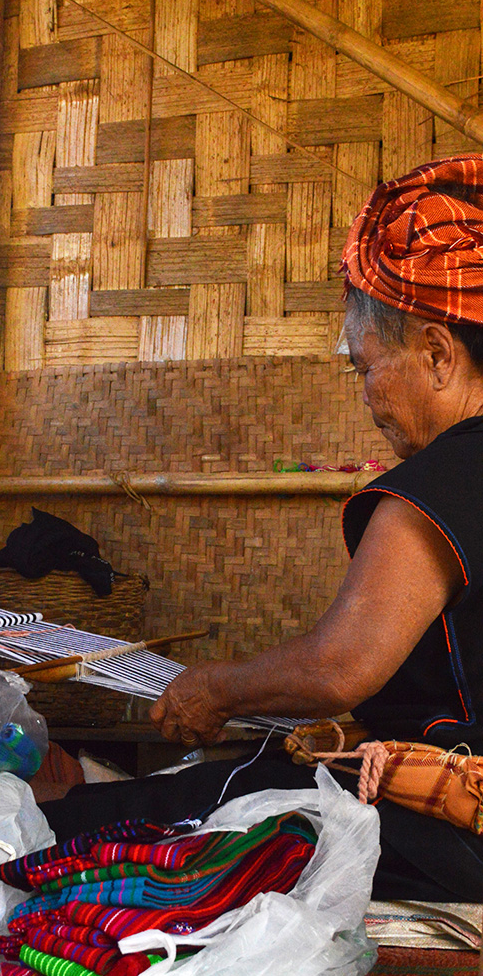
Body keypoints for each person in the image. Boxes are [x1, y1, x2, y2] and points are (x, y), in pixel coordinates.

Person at [40, 155, 483, 901]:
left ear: (438, 353)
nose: (366, 395)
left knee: (127, 824)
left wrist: (215, 687)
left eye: (366, 367)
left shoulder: (446, 479)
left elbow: (339, 666)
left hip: (448, 836)